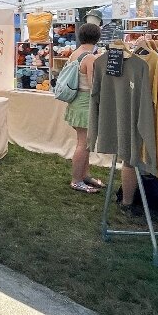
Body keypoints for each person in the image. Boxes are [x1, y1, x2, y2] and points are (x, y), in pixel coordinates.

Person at [64, 23, 105, 193]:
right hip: (84, 104)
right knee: (84, 144)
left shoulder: (75, 53)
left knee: (83, 142)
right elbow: (93, 85)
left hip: (75, 102)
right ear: (97, 38)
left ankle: (84, 175)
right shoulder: (90, 58)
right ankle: (76, 180)